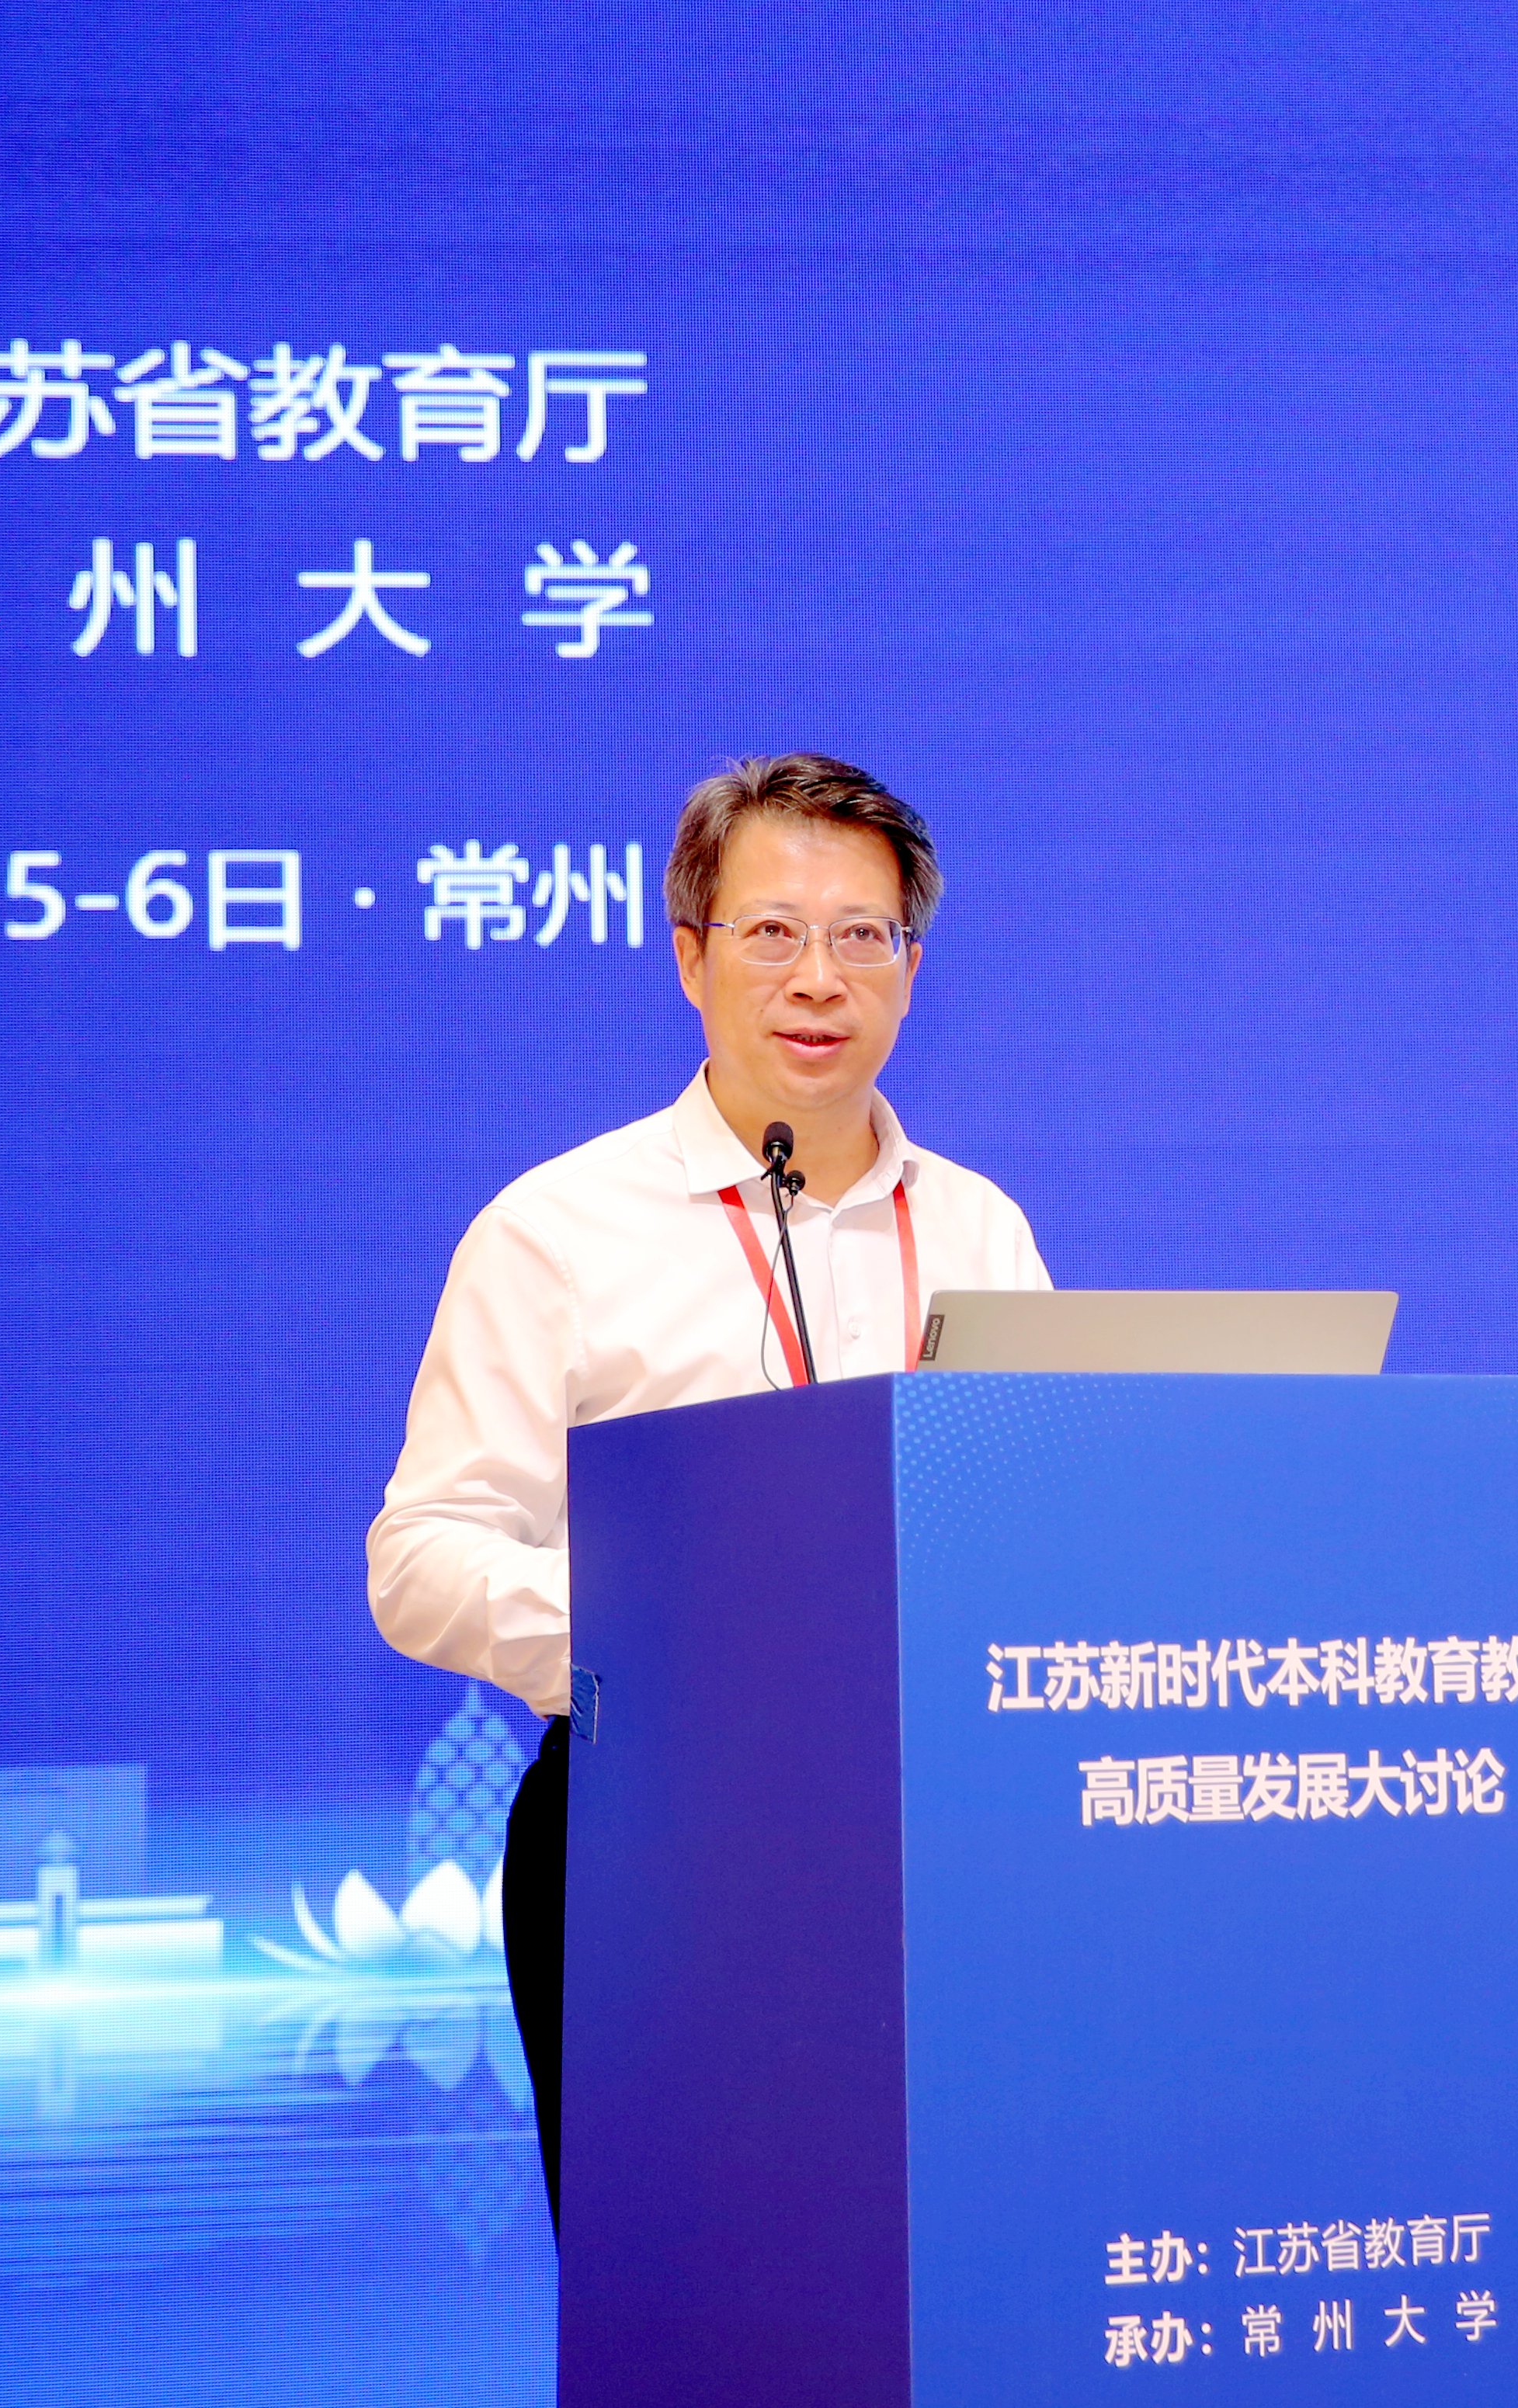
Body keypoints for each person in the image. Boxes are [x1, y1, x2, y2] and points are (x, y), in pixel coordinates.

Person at [366, 752, 1051, 2226]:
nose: (819, 977)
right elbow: (422, 1555)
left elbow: (1042, 1524)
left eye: (862, 935)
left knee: (952, 2266)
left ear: (913, 968)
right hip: (653, 1836)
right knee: (693, 2283)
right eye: (772, 932)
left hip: (950, 1837)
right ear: (689, 955)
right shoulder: (557, 1231)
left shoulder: (979, 1226)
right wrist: (659, 1640)